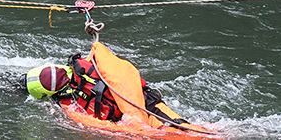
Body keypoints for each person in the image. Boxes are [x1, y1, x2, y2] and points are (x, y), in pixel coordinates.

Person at [24, 41, 200, 130]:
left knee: (180, 132)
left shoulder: (69, 106)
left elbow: (99, 127)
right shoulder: (87, 63)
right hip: (147, 101)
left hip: (136, 114)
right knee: (185, 129)